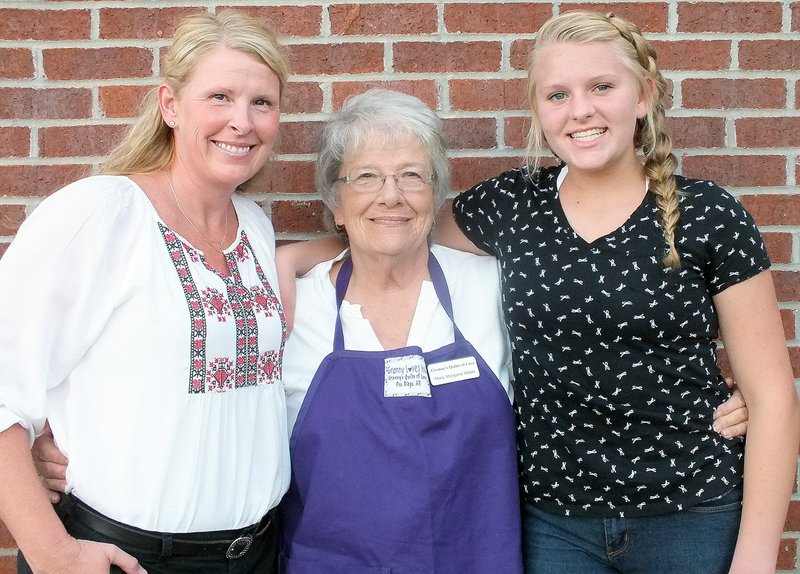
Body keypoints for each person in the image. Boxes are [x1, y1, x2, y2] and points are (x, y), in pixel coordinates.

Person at [436, 10, 800, 574]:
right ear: (538, 110)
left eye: (602, 86)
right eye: (557, 94)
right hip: (554, 522)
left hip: (692, 514)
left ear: (643, 95)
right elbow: (398, 236)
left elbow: (773, 396)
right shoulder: (511, 205)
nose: (581, 110)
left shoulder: (709, 216)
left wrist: (754, 559)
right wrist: (305, 255)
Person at [0, 10, 290, 574]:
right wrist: (53, 553)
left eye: (262, 103)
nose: (242, 121)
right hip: (126, 557)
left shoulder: (254, 225)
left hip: (255, 553)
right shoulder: (103, 213)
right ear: (169, 105)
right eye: (220, 97)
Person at [278, 89, 523, 572]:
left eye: (411, 175)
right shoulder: (292, 308)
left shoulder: (491, 287)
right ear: (337, 204)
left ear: (434, 195)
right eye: (366, 176)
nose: (391, 195)